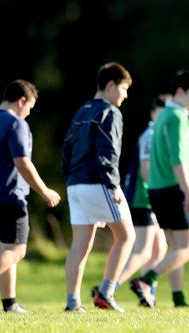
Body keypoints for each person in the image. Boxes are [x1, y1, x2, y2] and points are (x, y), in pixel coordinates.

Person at [62, 62, 136, 312]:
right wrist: (113, 184)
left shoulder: (81, 110)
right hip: (98, 181)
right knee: (127, 236)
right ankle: (106, 292)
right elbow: (108, 151)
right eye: (124, 89)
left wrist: (70, 178)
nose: (125, 95)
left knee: (79, 245)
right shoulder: (110, 112)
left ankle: (73, 303)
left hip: (75, 184)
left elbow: (67, 148)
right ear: (111, 85)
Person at [0, 80, 61, 313]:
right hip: (8, 196)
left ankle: (10, 304)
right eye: (29, 109)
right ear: (21, 101)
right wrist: (45, 191)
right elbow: (23, 163)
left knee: (6, 249)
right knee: (17, 251)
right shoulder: (16, 124)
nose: (28, 114)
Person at [130, 71, 189, 308]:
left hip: (156, 190)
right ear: (181, 92)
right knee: (188, 248)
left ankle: (178, 298)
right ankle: (146, 280)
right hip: (173, 189)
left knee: (175, 248)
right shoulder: (177, 118)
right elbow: (178, 161)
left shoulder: (163, 116)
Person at [115, 94, 184, 307]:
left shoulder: (156, 133)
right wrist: (160, 192)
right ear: (155, 113)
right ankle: (109, 287)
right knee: (143, 250)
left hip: (148, 198)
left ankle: (147, 294)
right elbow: (146, 171)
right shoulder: (151, 134)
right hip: (142, 198)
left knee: (159, 248)